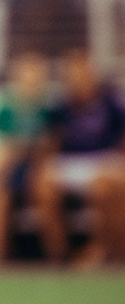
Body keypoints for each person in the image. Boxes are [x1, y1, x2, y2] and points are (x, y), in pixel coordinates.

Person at [33, 49, 125, 266]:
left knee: (104, 186)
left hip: (105, 159)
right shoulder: (60, 104)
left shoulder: (111, 100)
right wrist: (45, 164)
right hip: (70, 163)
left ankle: (104, 249)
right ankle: (59, 255)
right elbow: (50, 141)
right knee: (42, 185)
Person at [0, 51, 55, 264]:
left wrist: (22, 150)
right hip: (10, 170)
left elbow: (50, 144)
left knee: (44, 188)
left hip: (38, 169)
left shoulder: (49, 106)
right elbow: (1, 145)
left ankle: (55, 257)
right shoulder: (7, 106)